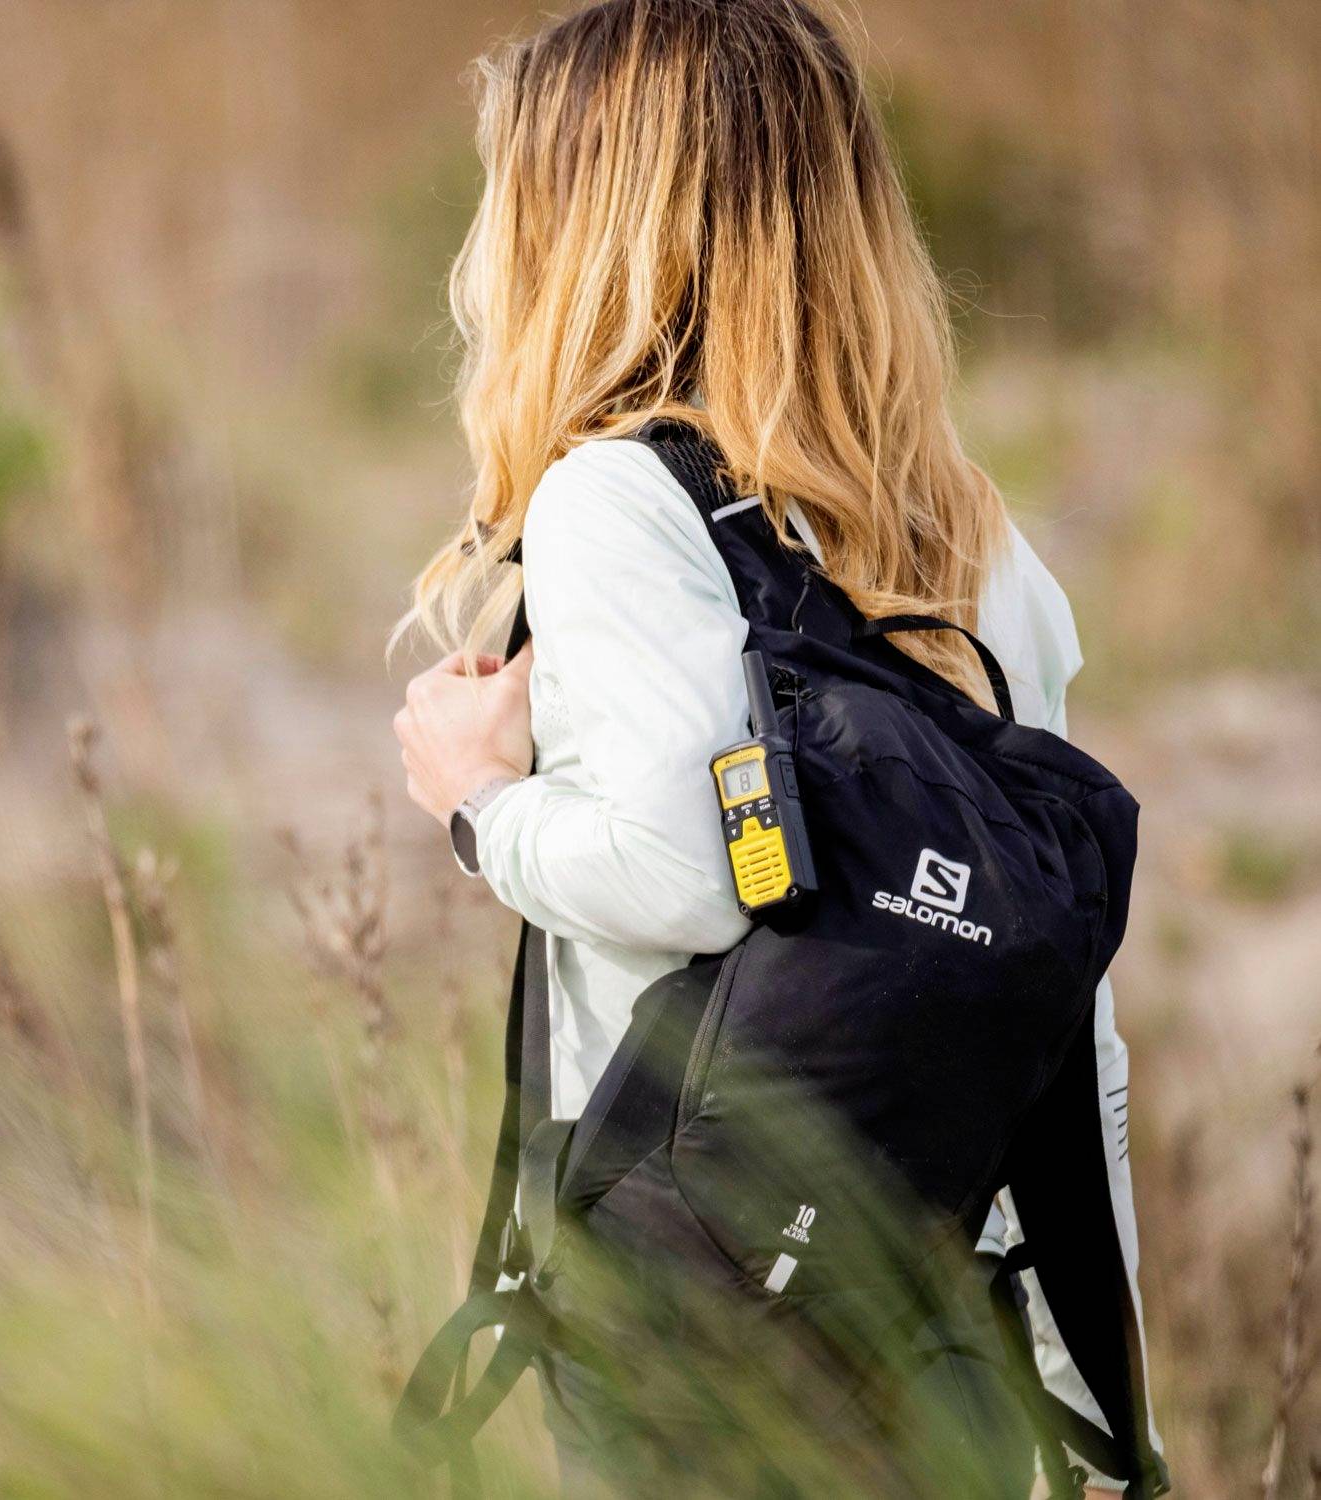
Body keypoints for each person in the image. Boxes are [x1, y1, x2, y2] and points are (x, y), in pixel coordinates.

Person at [392, 1, 1163, 1493]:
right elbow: (1078, 1029)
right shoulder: (979, 548)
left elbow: (683, 874)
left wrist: (479, 803)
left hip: (699, 1337)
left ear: (584, 228)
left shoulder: (615, 504)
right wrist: (1104, 1417)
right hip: (949, 1323)